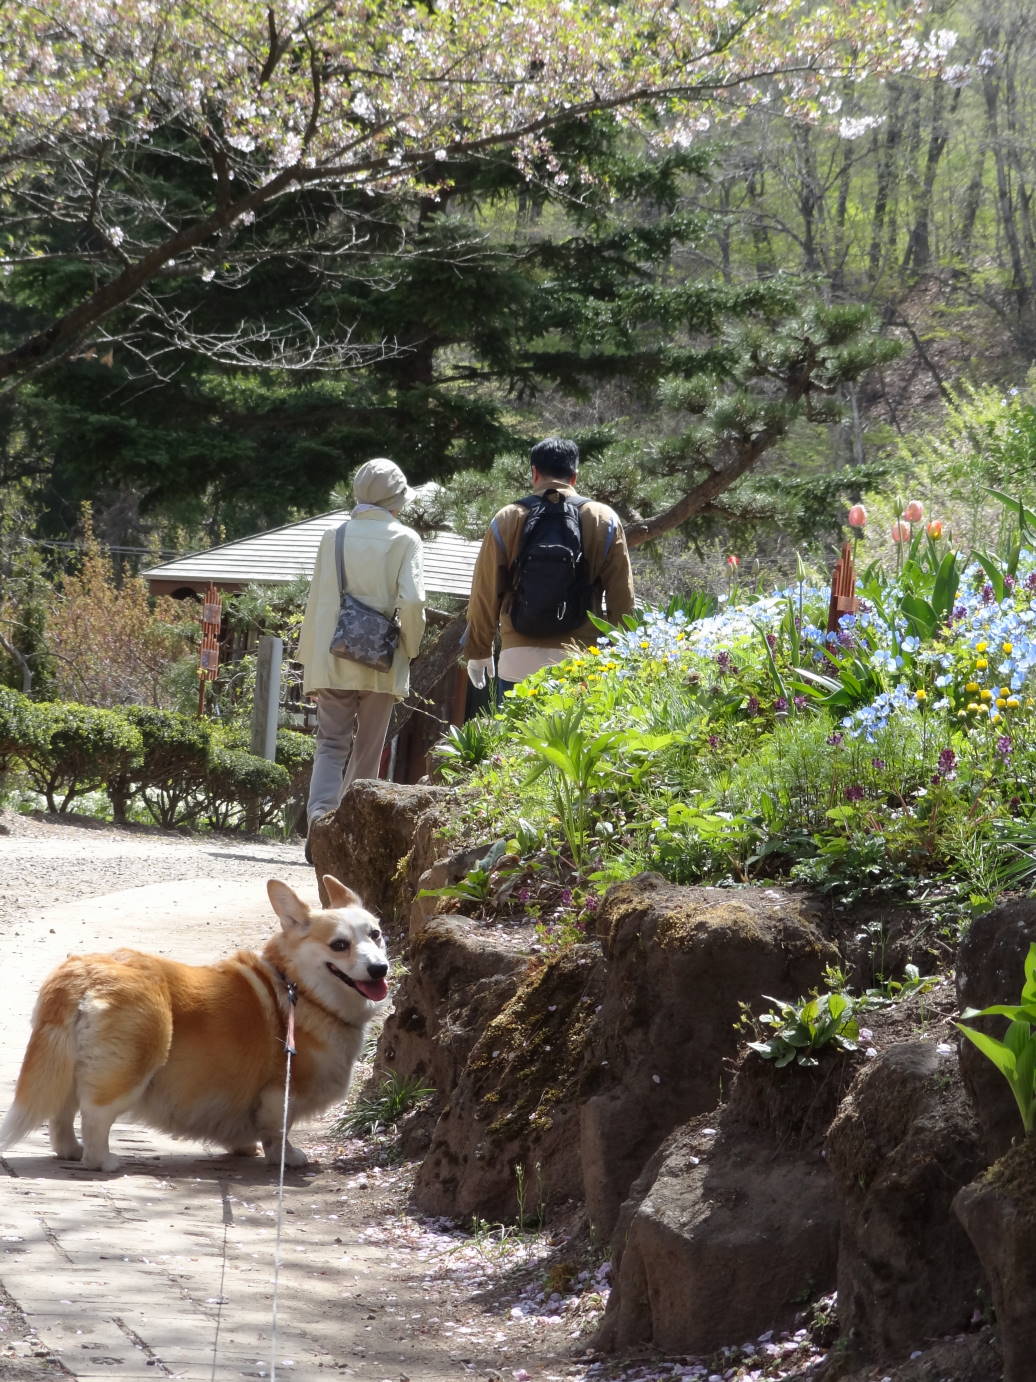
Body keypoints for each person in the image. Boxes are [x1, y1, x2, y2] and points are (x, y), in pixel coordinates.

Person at [297, 458, 425, 853]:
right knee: (369, 748)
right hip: (381, 656)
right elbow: (414, 601)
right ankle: (350, 837)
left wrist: (311, 660)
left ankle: (319, 825)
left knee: (330, 744)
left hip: (333, 655)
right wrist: (410, 648)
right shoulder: (405, 540)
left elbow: (318, 601)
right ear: (396, 500)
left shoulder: (332, 536)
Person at [464, 437, 635, 692]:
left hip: (517, 659)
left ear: (534, 473)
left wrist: (478, 649)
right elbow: (622, 596)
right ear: (574, 476)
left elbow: (485, 591)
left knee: (514, 732)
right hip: (579, 659)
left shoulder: (507, 518)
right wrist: (625, 655)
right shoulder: (604, 519)